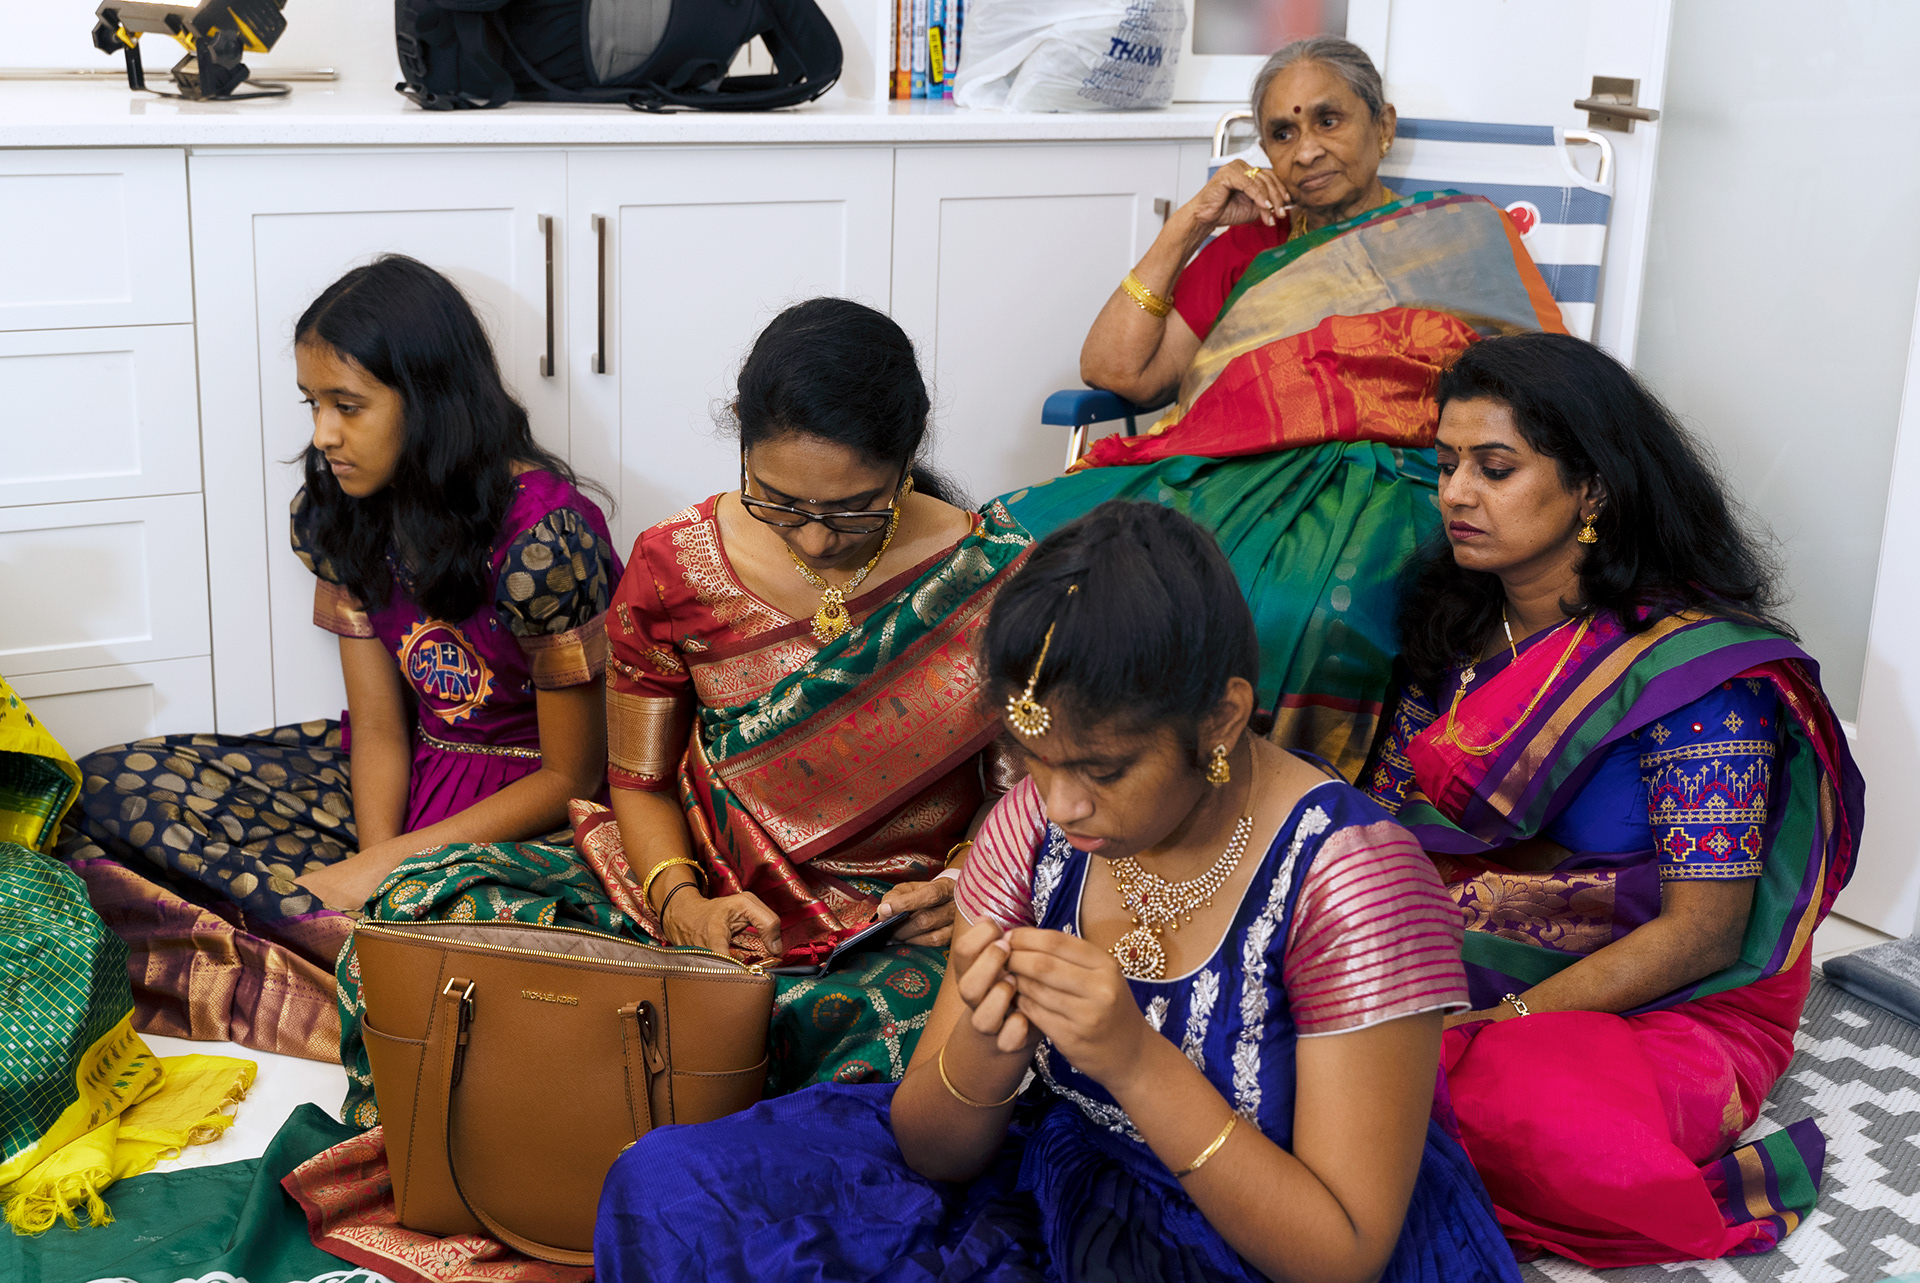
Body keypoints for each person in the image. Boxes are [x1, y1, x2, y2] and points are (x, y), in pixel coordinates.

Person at [593, 501, 1521, 1283]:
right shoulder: (1032, 828)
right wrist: (989, 1045)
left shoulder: (1352, 880)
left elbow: (1341, 1253)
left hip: (1257, 1244)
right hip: (1057, 1173)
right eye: (1032, 758)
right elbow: (933, 1150)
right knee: (670, 1188)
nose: (1064, 802)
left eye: (1102, 769)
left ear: (1222, 718)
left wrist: (1134, 1061)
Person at [332, 297, 1033, 1126]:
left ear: (907, 460)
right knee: (418, 908)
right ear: (741, 443)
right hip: (697, 888)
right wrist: (683, 905)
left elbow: (1022, 793)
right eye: (779, 501)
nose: (814, 539)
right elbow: (638, 780)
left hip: (889, 936)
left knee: (941, 1035)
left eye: (853, 509)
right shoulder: (675, 566)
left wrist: (960, 887)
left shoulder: (992, 576)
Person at [1365, 333, 1863, 1266]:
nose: (1456, 493)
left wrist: (1505, 1019)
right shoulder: (1453, 622)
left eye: (1495, 467)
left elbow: (1704, 933)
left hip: (1669, 999)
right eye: (1445, 465)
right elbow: (1391, 824)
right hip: (1467, 946)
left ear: (1591, 490)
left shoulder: (1695, 674)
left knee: (1515, 1116)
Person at [65, 255, 620, 1059]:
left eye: (348, 406)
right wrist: (370, 861)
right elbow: (382, 729)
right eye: (314, 403)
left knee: (484, 939)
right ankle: (335, 930)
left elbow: (574, 774)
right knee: (111, 788)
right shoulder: (341, 512)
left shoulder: (545, 538)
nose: (324, 434)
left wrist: (390, 868)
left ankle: (310, 934)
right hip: (407, 774)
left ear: (430, 400)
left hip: (527, 816)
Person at [1009, 35, 1567, 780]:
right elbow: (1117, 371)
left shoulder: (1467, 235)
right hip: (1230, 467)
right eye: (1281, 132)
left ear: (1384, 125)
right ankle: (1081, 766)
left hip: (1399, 475)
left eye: (1328, 120)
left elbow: (1545, 383)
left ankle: (1265, 795)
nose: (1305, 150)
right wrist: (1191, 223)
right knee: (1038, 545)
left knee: (1310, 606)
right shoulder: (1247, 248)